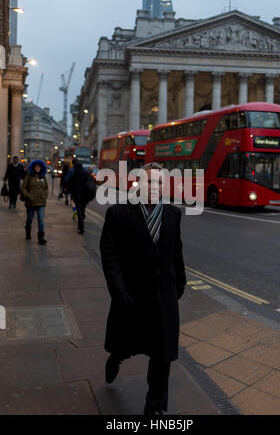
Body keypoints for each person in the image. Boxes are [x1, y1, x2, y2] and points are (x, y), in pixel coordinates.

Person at [100, 162, 186, 416]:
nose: (155, 187)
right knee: (124, 342)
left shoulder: (172, 214)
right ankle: (115, 358)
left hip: (163, 297)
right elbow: (110, 255)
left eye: (159, 182)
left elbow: (175, 251)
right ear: (138, 183)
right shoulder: (118, 213)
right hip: (131, 296)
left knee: (162, 355)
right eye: (149, 181)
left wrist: (180, 281)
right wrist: (119, 292)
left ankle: (155, 407)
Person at [21, 159, 48, 245]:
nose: (38, 168)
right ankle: (28, 233)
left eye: (39, 167)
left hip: (41, 202)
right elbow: (23, 188)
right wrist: (28, 196)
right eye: (36, 166)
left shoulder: (43, 177)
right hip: (30, 202)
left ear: (41, 168)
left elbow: (46, 188)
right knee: (30, 219)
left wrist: (44, 196)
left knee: (41, 220)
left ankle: (41, 238)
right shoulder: (29, 176)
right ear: (33, 167)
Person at [66, 160, 89, 234]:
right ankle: (82, 216)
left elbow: (69, 183)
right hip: (85, 196)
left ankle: (81, 226)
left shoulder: (74, 174)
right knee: (83, 209)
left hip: (76, 195)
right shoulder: (86, 173)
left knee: (79, 210)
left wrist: (69, 191)